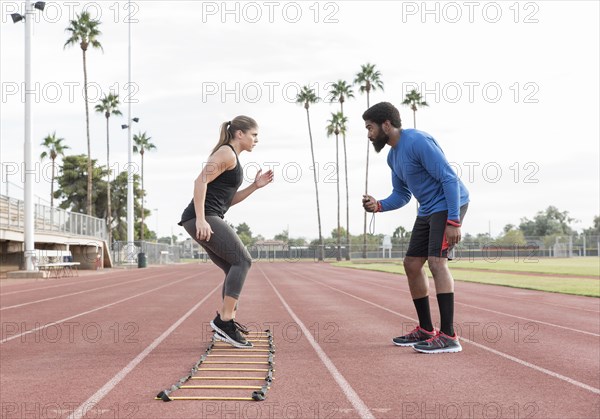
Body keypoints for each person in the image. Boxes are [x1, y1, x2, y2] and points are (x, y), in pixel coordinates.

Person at [361, 102, 469, 354]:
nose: (368, 134)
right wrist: (378, 206)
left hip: (448, 203)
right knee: (411, 264)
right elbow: (402, 194)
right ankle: (426, 329)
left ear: (386, 124)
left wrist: (453, 221)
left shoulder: (417, 141)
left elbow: (449, 178)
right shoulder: (392, 156)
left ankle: (449, 336)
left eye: (370, 128)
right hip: (427, 209)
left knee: (436, 262)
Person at [178, 116, 274, 348]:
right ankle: (225, 321)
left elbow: (227, 201)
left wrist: (254, 186)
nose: (256, 140)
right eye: (254, 135)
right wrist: (201, 219)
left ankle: (225, 323)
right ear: (239, 134)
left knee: (233, 266)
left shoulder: (232, 158)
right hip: (201, 217)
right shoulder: (226, 153)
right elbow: (199, 182)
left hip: (209, 215)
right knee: (243, 261)